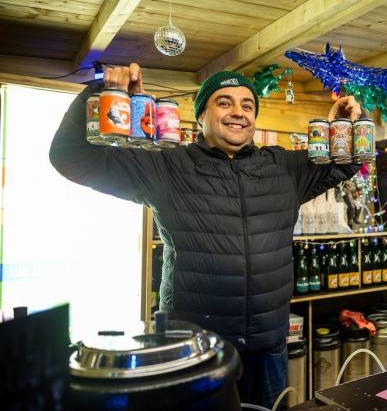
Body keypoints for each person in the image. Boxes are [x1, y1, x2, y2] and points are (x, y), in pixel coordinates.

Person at [49, 63, 361, 408]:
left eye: (247, 105)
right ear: (201, 116)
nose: (238, 113)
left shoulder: (283, 167)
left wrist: (342, 124)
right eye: (224, 102)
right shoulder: (165, 166)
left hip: (268, 348)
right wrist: (99, 93)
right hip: (195, 349)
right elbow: (69, 157)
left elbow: (346, 162)